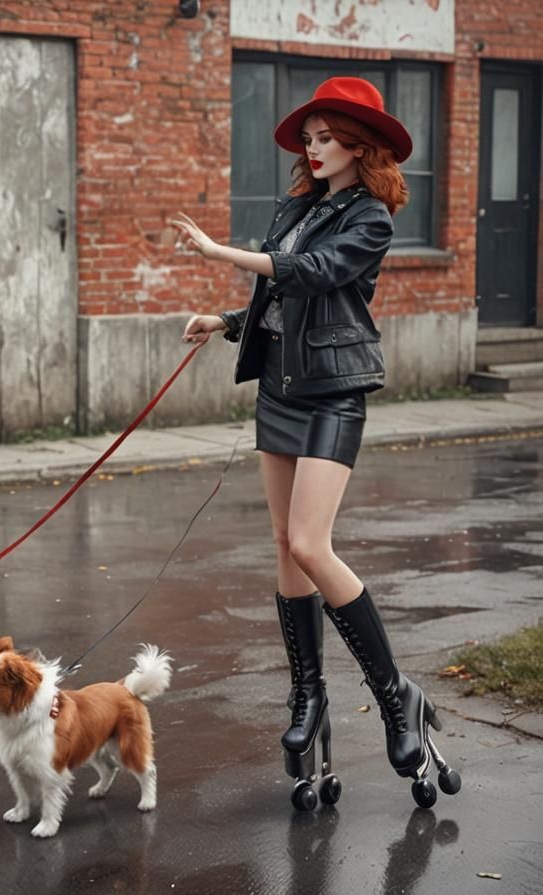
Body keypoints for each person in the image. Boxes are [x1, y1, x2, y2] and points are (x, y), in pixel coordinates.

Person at [170, 77, 461, 811]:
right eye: (309, 138)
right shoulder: (298, 207)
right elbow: (282, 302)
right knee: (283, 542)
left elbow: (316, 275)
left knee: (309, 543)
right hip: (281, 388)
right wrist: (225, 321)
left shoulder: (371, 218)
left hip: (334, 391)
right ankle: (309, 695)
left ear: (360, 146)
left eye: (327, 138)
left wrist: (220, 251)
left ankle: (395, 695)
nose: (314, 148)